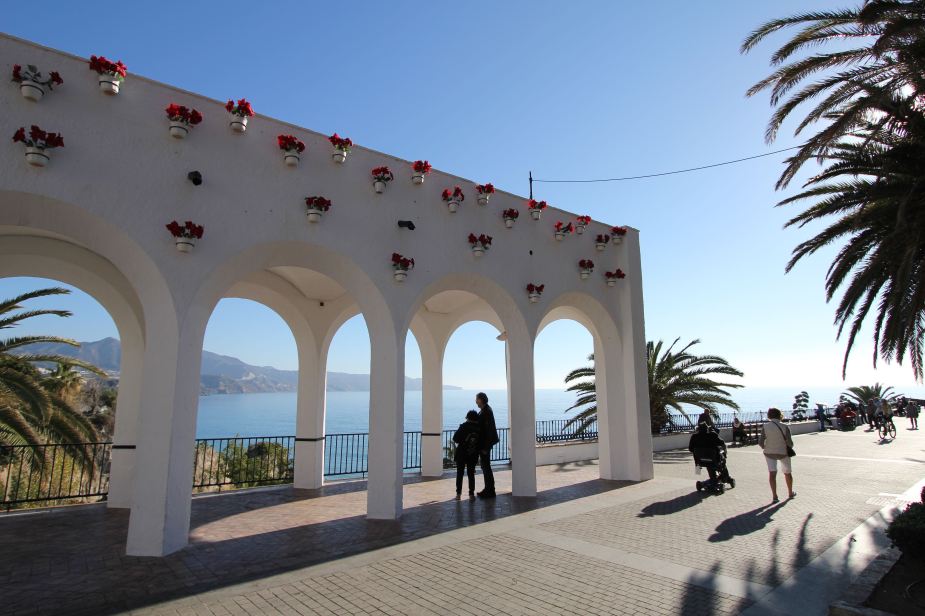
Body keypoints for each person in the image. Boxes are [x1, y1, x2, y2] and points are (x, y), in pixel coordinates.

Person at [759, 408, 795, 503]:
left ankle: (775, 496)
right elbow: (790, 443)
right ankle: (790, 493)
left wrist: (766, 447)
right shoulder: (784, 426)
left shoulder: (765, 426)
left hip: (769, 452)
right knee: (787, 473)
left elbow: (761, 442)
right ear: (780, 415)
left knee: (772, 473)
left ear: (769, 415)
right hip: (783, 452)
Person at [688, 422, 733, 488]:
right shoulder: (712, 435)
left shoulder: (694, 436)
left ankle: (713, 479)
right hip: (714, 459)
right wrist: (725, 452)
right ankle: (726, 477)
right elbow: (722, 443)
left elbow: (690, 449)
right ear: (707, 429)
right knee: (721, 460)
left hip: (700, 461)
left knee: (708, 463)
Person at [452, 410, 481, 499]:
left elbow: (455, 438)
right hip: (473, 453)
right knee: (471, 474)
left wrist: (463, 440)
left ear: (468, 418)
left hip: (462, 453)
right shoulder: (479, 428)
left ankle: (458, 494)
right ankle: (471, 494)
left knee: (460, 473)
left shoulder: (464, 426)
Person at [475, 392, 499, 498]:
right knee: (485, 467)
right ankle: (488, 489)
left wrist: (486, 447)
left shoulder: (486, 411)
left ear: (481, 400)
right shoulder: (485, 410)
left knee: (486, 467)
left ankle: (490, 490)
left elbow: (489, 431)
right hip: (484, 444)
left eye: (477, 399)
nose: (476, 401)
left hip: (485, 445)